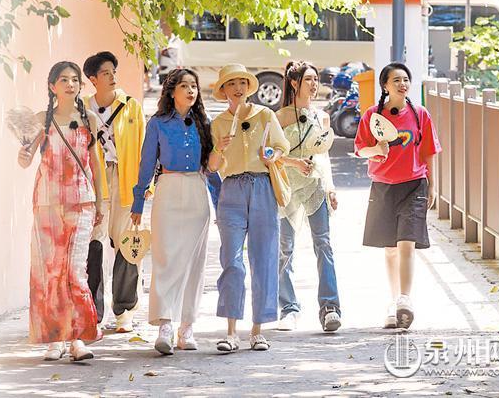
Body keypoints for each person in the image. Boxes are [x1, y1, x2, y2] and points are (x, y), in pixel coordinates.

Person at [18, 61, 104, 361]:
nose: (71, 84)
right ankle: (55, 338)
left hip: (81, 201)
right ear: (53, 86)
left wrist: (101, 202)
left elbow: (95, 164)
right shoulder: (42, 120)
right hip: (47, 203)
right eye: (64, 79)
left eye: (75, 79)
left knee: (76, 271)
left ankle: (77, 338)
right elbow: (25, 161)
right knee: (50, 272)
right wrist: (23, 153)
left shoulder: (89, 119)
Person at [130, 68, 218, 355]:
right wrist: (138, 203)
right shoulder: (157, 123)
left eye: (194, 86)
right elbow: (146, 163)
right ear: (171, 91)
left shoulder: (203, 122)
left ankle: (187, 327)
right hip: (167, 188)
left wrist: (222, 204)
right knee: (165, 258)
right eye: (184, 85)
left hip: (196, 190)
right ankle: (164, 325)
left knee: (194, 263)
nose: (191, 90)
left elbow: (212, 167)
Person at [209, 64, 290, 352]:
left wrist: (272, 155)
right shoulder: (218, 123)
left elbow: (282, 146)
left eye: (243, 82)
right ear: (224, 90)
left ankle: (257, 330)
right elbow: (212, 167)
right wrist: (219, 147)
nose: (239, 88)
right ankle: (231, 331)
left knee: (264, 257)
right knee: (231, 259)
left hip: (262, 187)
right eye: (232, 83)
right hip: (230, 190)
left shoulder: (265, 115)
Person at [354, 62, 441, 329]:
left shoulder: (419, 114)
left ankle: (405, 299)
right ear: (385, 85)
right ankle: (393, 303)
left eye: (406, 79)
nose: (402, 84)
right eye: (396, 80)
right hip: (383, 186)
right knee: (390, 249)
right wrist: (376, 149)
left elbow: (428, 151)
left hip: (414, 185)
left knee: (407, 244)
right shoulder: (372, 115)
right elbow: (360, 150)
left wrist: (433, 184)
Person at [275, 61, 341, 332]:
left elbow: (323, 157)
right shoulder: (280, 117)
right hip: (288, 188)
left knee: (323, 245)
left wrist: (331, 188)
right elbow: (271, 155)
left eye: (316, 79)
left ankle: (330, 308)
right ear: (295, 83)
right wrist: (294, 163)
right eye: (309, 80)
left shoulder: (322, 117)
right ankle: (289, 308)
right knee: (284, 251)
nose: (314, 85)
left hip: (315, 187)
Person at [82, 51, 146, 333]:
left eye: (113, 71)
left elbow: (145, 148)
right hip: (95, 181)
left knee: (128, 244)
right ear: (93, 79)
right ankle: (93, 313)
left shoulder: (131, 106)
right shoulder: (82, 109)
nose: (112, 76)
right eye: (105, 73)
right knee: (93, 245)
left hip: (126, 178)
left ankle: (124, 311)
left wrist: (145, 189)